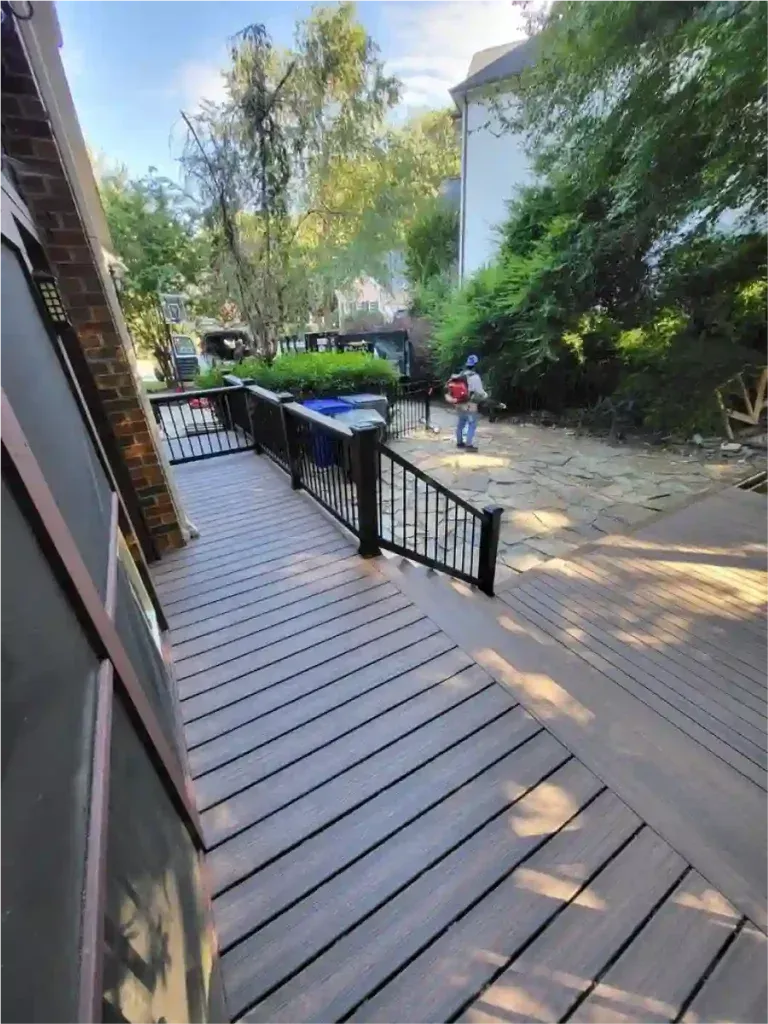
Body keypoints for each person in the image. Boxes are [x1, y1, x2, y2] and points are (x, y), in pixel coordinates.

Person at [446, 354, 487, 451]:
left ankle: (459, 443)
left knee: (461, 423)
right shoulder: (475, 377)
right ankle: (469, 445)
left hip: (459, 403)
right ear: (475, 365)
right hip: (470, 404)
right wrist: (485, 395)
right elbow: (480, 392)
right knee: (472, 424)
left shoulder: (461, 375)